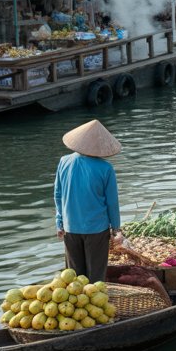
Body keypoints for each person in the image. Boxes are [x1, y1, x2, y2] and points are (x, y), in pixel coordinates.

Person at [54, 119, 123, 282]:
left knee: (74, 278)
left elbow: (58, 194)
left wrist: (59, 222)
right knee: (96, 277)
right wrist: (116, 229)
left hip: (70, 228)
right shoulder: (106, 168)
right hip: (96, 230)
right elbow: (112, 203)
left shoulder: (64, 162)